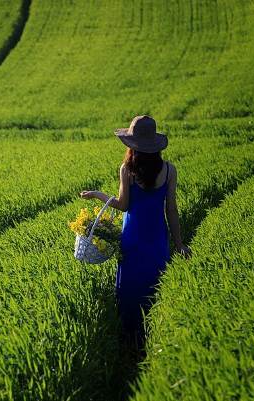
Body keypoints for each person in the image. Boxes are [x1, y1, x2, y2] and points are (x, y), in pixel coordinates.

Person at [80, 115, 190, 343]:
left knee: (130, 293)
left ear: (132, 145)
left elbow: (123, 205)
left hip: (132, 241)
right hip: (157, 240)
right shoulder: (169, 170)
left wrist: (96, 194)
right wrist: (179, 244)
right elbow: (172, 211)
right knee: (155, 288)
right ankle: (154, 340)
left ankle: (129, 344)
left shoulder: (126, 170)